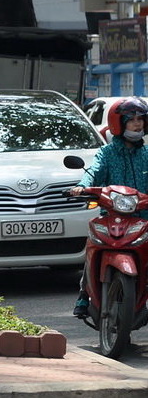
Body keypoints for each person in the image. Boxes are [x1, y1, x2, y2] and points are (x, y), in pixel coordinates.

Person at [69, 97, 148, 318]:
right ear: (118, 123)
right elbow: (94, 171)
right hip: (111, 217)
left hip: (143, 219)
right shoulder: (107, 153)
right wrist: (82, 187)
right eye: (131, 120)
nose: (137, 124)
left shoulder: (147, 155)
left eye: (140, 119)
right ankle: (84, 296)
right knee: (92, 247)